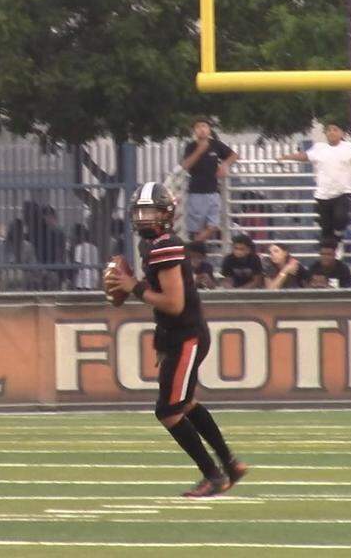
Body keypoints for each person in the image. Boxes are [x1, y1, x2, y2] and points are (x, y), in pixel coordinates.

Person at [105, 182, 247, 496]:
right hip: (176, 336)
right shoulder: (153, 245)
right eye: (140, 211)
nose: (144, 218)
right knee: (185, 404)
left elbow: (173, 303)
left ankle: (214, 475)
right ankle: (230, 463)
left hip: (187, 336)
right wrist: (160, 338)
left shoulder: (166, 244)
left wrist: (133, 286)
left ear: (167, 212)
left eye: (151, 211)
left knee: (168, 411)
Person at [278, 122, 351, 244]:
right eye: (329, 130)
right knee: (326, 229)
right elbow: (304, 156)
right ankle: (331, 250)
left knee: (340, 219)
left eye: (335, 129)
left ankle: (339, 237)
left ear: (341, 133)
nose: (331, 132)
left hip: (342, 193)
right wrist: (286, 157)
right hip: (323, 195)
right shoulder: (319, 148)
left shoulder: (349, 148)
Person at [180, 118, 238, 242]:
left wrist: (225, 165)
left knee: (213, 225)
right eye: (198, 127)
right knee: (195, 229)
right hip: (196, 192)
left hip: (213, 191)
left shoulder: (216, 145)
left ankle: (196, 245)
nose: (202, 129)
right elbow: (186, 165)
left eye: (204, 126)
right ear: (194, 131)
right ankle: (195, 248)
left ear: (209, 129)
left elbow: (234, 155)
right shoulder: (191, 146)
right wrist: (199, 151)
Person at [71, 224, 101, 291]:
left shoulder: (79, 247)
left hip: (82, 281)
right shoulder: (94, 247)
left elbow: (77, 263)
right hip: (94, 278)